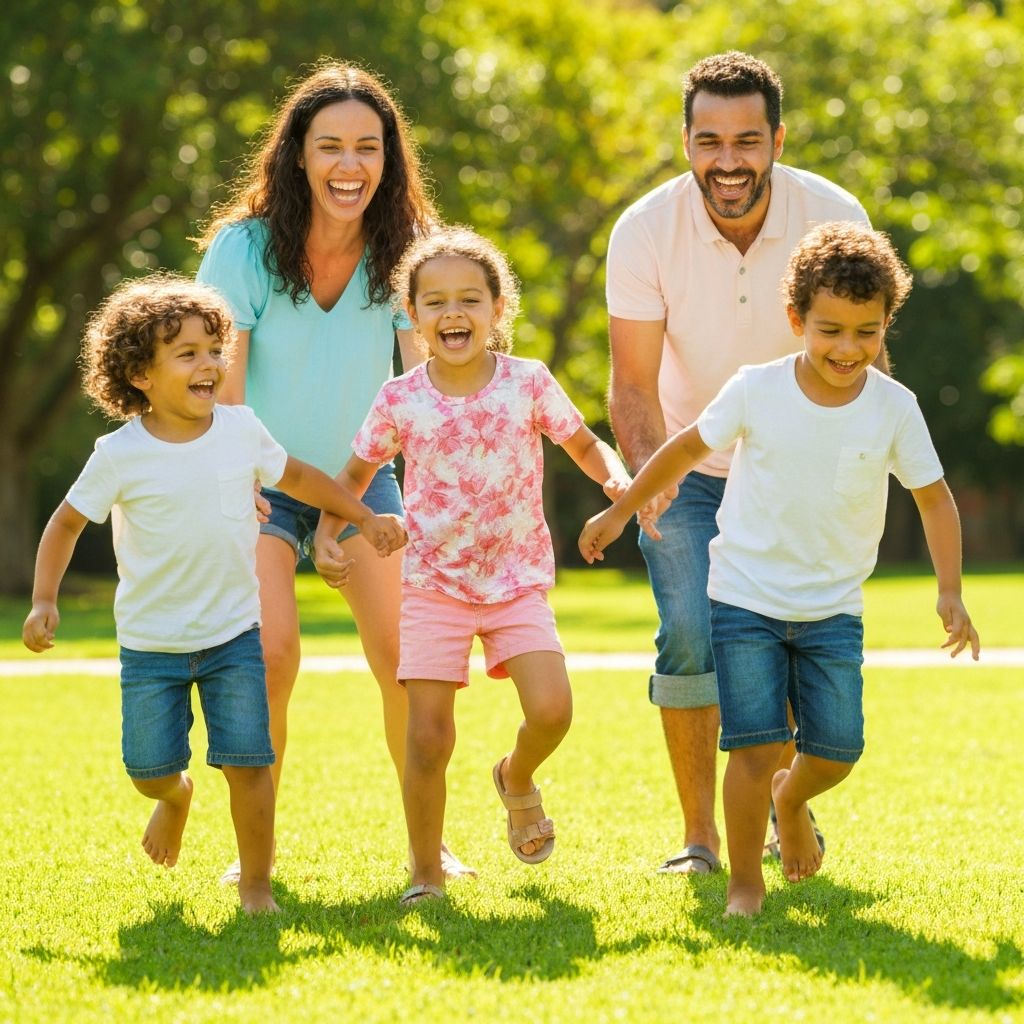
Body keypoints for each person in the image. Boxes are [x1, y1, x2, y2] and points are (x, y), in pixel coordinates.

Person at [581, 221, 981, 915]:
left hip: (833, 609)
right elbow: (680, 450)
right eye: (830, 329)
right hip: (745, 599)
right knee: (756, 749)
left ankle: (791, 800)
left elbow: (934, 498)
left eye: (867, 331)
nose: (848, 348)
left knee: (836, 751)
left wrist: (950, 593)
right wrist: (621, 511)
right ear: (796, 319)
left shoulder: (894, 408)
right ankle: (744, 882)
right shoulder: (756, 389)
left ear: (887, 324)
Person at [21, 275, 406, 914]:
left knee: (251, 764)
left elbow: (303, 477)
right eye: (187, 354)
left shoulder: (240, 428)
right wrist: (44, 599)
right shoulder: (119, 454)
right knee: (147, 772)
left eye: (212, 349)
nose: (209, 365)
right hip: (151, 646)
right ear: (140, 374)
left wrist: (362, 517)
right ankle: (176, 797)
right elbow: (65, 522)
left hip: (234, 636)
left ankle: (256, 887)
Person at [195, 61, 474, 880]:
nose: (349, 166)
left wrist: (440, 480)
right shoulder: (243, 248)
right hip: (258, 481)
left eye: (367, 147)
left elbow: (429, 377)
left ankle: (433, 845)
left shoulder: (406, 248)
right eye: (329, 147)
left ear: (389, 158)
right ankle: (257, 855)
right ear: (297, 155)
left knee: (405, 660)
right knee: (272, 656)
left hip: (364, 484)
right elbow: (221, 376)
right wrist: (248, 486)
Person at [606, 50, 879, 875]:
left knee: (786, 637)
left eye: (748, 140)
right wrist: (651, 482)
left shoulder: (833, 214)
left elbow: (863, 350)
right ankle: (699, 839)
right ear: (687, 140)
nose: (729, 161)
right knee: (690, 636)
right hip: (688, 463)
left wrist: (858, 471)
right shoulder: (644, 230)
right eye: (710, 140)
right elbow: (630, 385)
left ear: (777, 139)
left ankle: (779, 814)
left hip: (794, 471)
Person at [313, 226, 639, 905]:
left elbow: (582, 442)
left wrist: (615, 480)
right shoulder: (400, 397)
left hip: (516, 579)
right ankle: (426, 874)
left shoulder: (528, 382)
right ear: (414, 315)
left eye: (469, 299)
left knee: (552, 711)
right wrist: (326, 531)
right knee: (427, 738)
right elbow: (354, 472)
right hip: (434, 585)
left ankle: (515, 779)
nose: (452, 313)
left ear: (498, 309)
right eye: (434, 302)